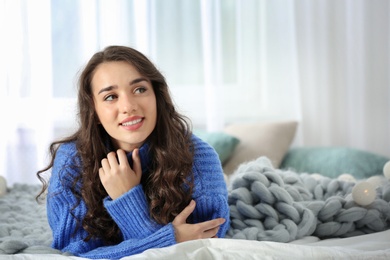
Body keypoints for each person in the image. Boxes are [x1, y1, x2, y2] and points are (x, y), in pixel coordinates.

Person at [36, 45, 230, 259]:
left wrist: (128, 199)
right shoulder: (72, 160)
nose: (128, 106)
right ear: (94, 109)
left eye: (139, 90)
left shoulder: (199, 157)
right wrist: (170, 238)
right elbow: (75, 254)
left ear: (156, 95)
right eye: (110, 96)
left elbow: (204, 250)